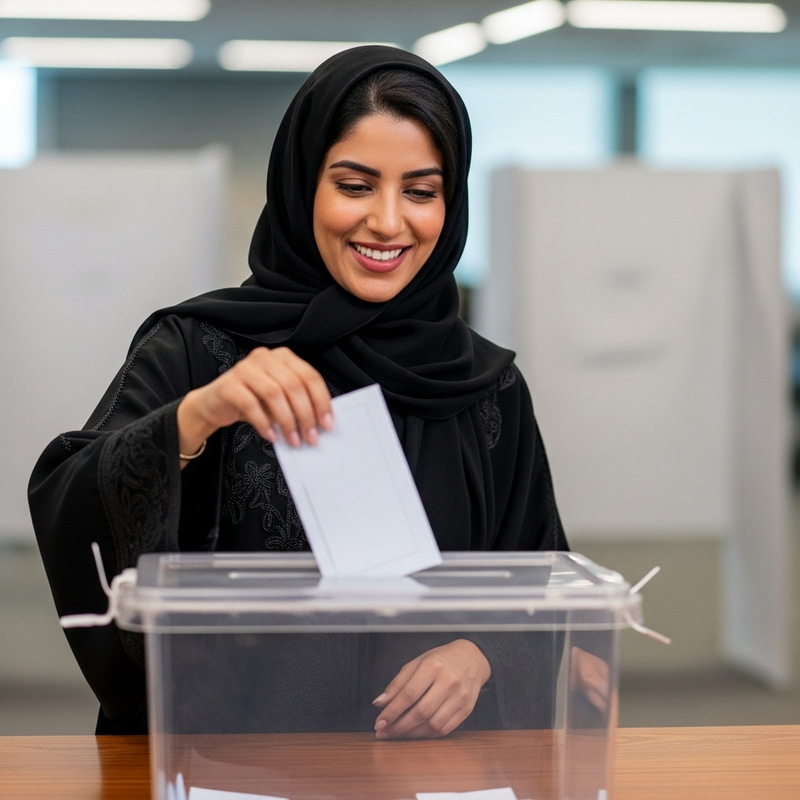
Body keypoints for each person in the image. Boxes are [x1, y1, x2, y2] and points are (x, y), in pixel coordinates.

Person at [28, 45, 567, 738]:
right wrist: (197, 416)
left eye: (421, 192)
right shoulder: (200, 347)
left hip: (423, 769)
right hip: (224, 759)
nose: (388, 221)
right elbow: (71, 498)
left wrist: (483, 653)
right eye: (354, 185)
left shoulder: (487, 390)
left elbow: (544, 581)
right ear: (300, 184)